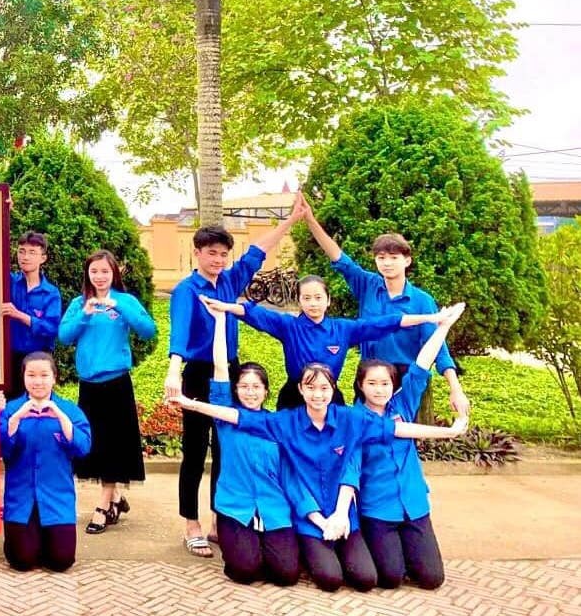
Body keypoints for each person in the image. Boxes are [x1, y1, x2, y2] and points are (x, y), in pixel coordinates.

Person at [170, 349, 466, 592]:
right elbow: (235, 415)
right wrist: (191, 405)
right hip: (305, 518)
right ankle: (300, 556)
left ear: (333, 390)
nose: (318, 394)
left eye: (324, 388)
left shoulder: (349, 420)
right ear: (300, 389)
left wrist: (447, 433)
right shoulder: (285, 423)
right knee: (326, 579)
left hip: (341, 515)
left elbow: (398, 430)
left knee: (365, 580)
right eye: (310, 387)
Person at [165, 194, 305, 557]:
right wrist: (172, 374)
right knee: (195, 451)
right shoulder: (186, 290)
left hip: (229, 373)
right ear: (198, 253)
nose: (219, 259)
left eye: (223, 254)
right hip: (197, 373)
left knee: (227, 449)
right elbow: (178, 335)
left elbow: (257, 251)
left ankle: (217, 521)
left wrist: (289, 222)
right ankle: (191, 525)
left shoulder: (230, 281)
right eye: (212, 253)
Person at [302, 202, 471, 417]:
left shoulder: (422, 301)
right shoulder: (368, 286)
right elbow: (339, 259)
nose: (387, 263)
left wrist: (455, 389)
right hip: (368, 376)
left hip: (404, 380)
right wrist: (310, 220)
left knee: (398, 438)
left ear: (407, 260)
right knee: (363, 434)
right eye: (381, 257)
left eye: (394, 257)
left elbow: (438, 347)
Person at [180, 298, 301, 586]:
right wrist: (221, 320)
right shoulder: (227, 416)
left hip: (274, 506)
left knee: (286, 574)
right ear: (235, 390)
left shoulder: (279, 423)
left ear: (266, 391)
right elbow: (220, 366)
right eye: (243, 387)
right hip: (237, 505)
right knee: (245, 572)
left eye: (256, 387)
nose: (249, 392)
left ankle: (266, 542)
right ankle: (242, 543)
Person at [200, 278, 449, 410]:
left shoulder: (343, 328)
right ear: (299, 301)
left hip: (330, 396)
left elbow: (388, 322)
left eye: (318, 297)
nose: (313, 303)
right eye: (306, 298)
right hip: (294, 397)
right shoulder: (288, 326)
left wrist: (430, 318)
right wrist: (224, 307)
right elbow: (251, 312)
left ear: (328, 300)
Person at [357, 302, 468, 589]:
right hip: (378, 509)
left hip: (413, 504)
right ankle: (384, 552)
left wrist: (442, 327)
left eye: (385, 383)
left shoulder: (402, 403)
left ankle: (407, 552)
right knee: (391, 577)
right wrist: (447, 433)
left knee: (432, 579)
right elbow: (398, 430)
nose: (379, 389)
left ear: (394, 386)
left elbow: (421, 365)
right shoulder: (355, 418)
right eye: (372, 383)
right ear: (361, 386)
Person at [58, 249, 155, 535]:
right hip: (89, 385)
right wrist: (85, 316)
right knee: (94, 445)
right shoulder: (79, 303)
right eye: (94, 271)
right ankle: (115, 497)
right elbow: (64, 337)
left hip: (117, 384)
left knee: (113, 446)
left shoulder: (125, 301)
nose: (99, 277)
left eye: (105, 271)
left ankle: (102, 507)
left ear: (114, 274)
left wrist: (121, 308)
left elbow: (148, 330)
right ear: (87, 274)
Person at [0, 351, 91, 572]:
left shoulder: (69, 409)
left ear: (54, 377)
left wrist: (60, 416)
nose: (37, 381)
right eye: (31, 375)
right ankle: (24, 538)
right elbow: (2, 449)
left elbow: (83, 447)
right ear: (23, 378)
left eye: (43, 375)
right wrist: (16, 419)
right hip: (21, 498)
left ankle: (42, 537)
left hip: (57, 496)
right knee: (21, 561)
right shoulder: (10, 409)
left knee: (61, 562)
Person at [0, 231, 62, 399]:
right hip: (9, 360)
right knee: (11, 408)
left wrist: (19, 315)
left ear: (43, 258)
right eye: (21, 251)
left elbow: (52, 328)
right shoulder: (7, 282)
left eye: (32, 252)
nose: (25, 257)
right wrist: (4, 210)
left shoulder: (51, 293)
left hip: (39, 359)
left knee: (38, 406)